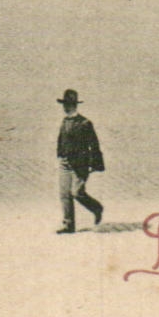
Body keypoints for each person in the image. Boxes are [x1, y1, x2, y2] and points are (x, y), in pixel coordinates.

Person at [54, 89, 104, 234]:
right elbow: (61, 139)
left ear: (74, 105)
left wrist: (94, 163)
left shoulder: (85, 123)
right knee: (64, 194)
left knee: (77, 192)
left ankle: (96, 208)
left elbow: (94, 144)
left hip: (80, 164)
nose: (65, 107)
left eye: (68, 104)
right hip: (64, 162)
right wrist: (60, 154)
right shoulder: (64, 121)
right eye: (64, 104)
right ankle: (68, 225)